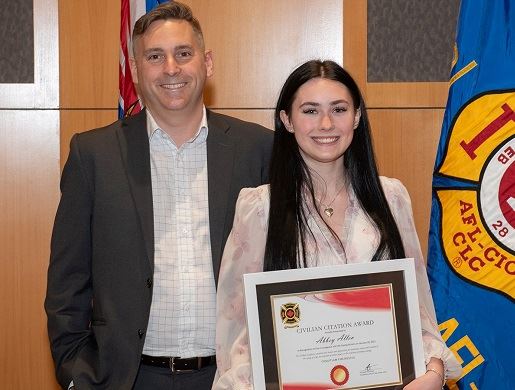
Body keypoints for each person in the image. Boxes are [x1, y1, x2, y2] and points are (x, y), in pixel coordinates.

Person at [44, 2, 273, 389]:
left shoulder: (259, 149)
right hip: (128, 379)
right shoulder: (93, 155)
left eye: (184, 53)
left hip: (233, 378)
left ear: (207, 63)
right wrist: (77, 377)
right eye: (155, 56)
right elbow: (67, 286)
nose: (171, 68)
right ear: (135, 70)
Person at [213, 60, 462, 389]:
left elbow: (418, 311)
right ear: (287, 120)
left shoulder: (392, 198)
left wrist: (433, 372)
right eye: (310, 110)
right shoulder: (259, 208)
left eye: (339, 109)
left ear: (357, 116)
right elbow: (237, 338)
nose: (326, 123)